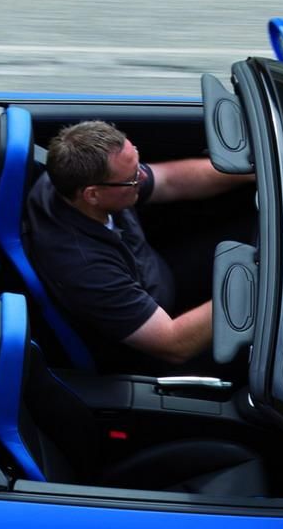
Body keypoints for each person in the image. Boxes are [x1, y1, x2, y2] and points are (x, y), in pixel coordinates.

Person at [24, 120, 253, 373]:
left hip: (156, 278)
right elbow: (174, 343)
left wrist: (254, 171)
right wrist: (258, 284)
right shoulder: (84, 267)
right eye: (132, 178)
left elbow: (170, 181)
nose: (142, 177)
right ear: (92, 195)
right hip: (153, 350)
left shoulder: (78, 183)